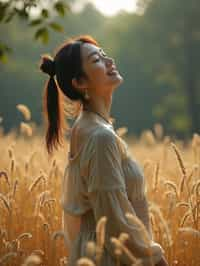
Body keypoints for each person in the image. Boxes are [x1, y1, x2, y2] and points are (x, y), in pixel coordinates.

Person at [39, 35, 168, 266]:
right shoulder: (100, 137)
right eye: (98, 59)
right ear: (80, 82)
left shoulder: (90, 127)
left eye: (104, 54)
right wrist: (154, 259)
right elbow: (113, 220)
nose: (110, 61)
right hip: (112, 256)